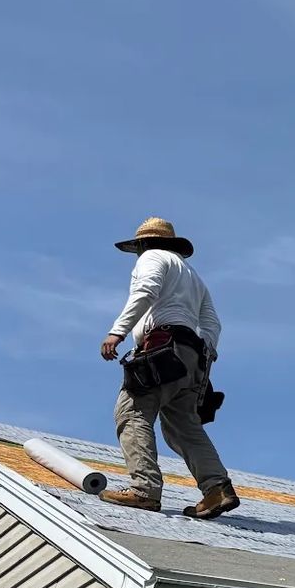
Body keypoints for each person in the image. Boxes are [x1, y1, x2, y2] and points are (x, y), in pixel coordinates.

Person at [99, 217, 238, 519]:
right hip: (192, 357)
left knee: (132, 411)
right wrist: (206, 356)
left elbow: (145, 291)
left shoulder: (152, 258)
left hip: (163, 347)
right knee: (183, 425)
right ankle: (217, 489)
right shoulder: (193, 275)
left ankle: (143, 490)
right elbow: (212, 323)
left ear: (145, 244)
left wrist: (117, 332)